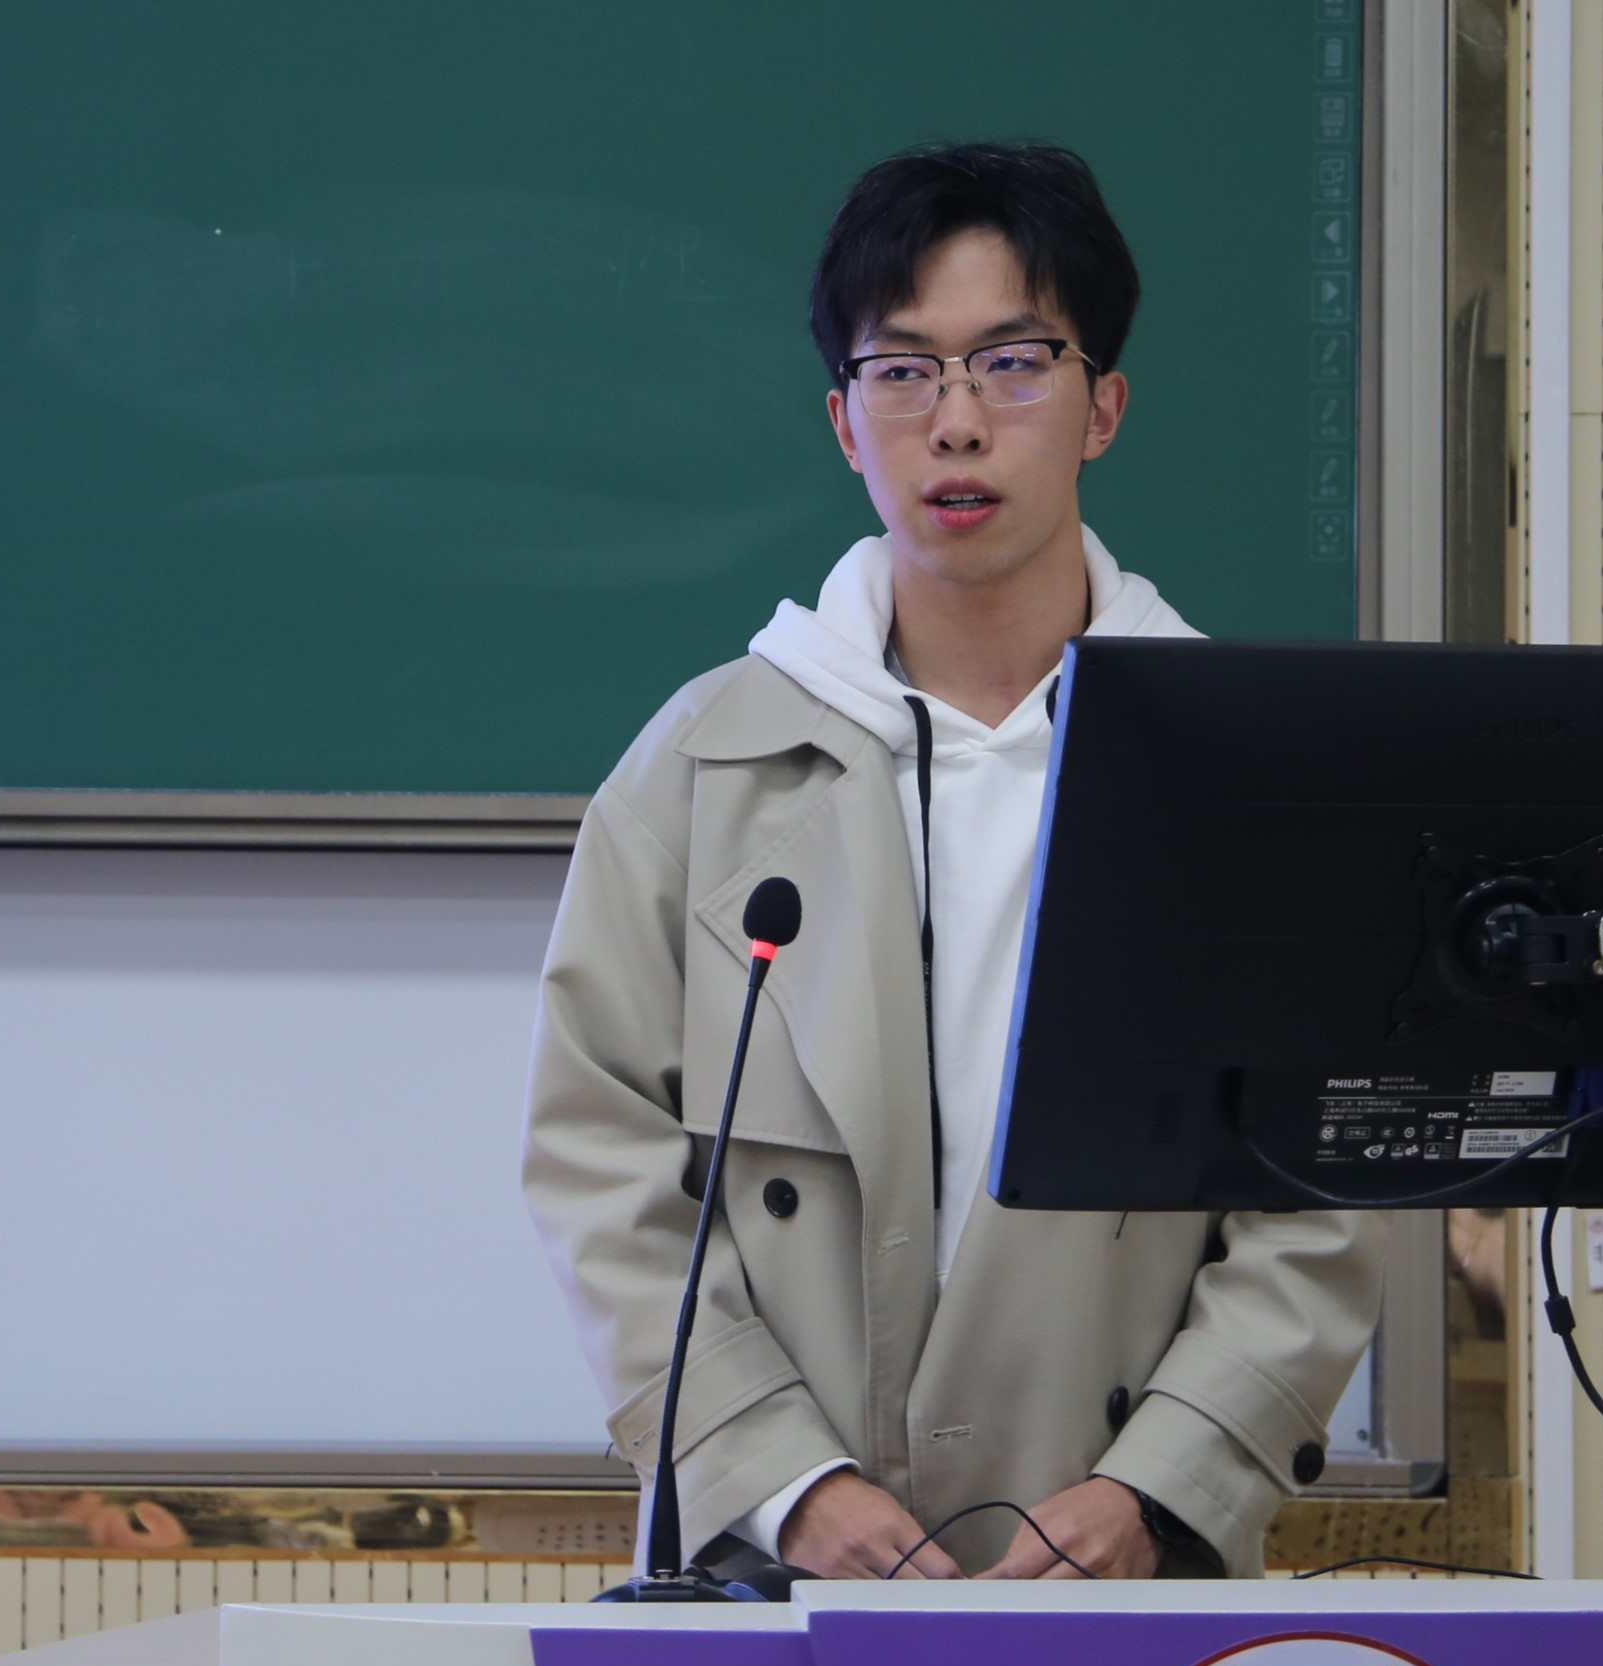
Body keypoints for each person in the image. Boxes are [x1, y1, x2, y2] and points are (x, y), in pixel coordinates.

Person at [521, 142, 1388, 1582]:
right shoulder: (703, 764)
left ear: (1104, 407)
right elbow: (597, 1156)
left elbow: (1324, 1186)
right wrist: (784, 1482)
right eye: (903, 371)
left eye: (1014, 362)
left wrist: (1161, 1485)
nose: (958, 422)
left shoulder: (1247, 774)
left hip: (1121, 1563)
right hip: (781, 1564)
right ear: (843, 422)